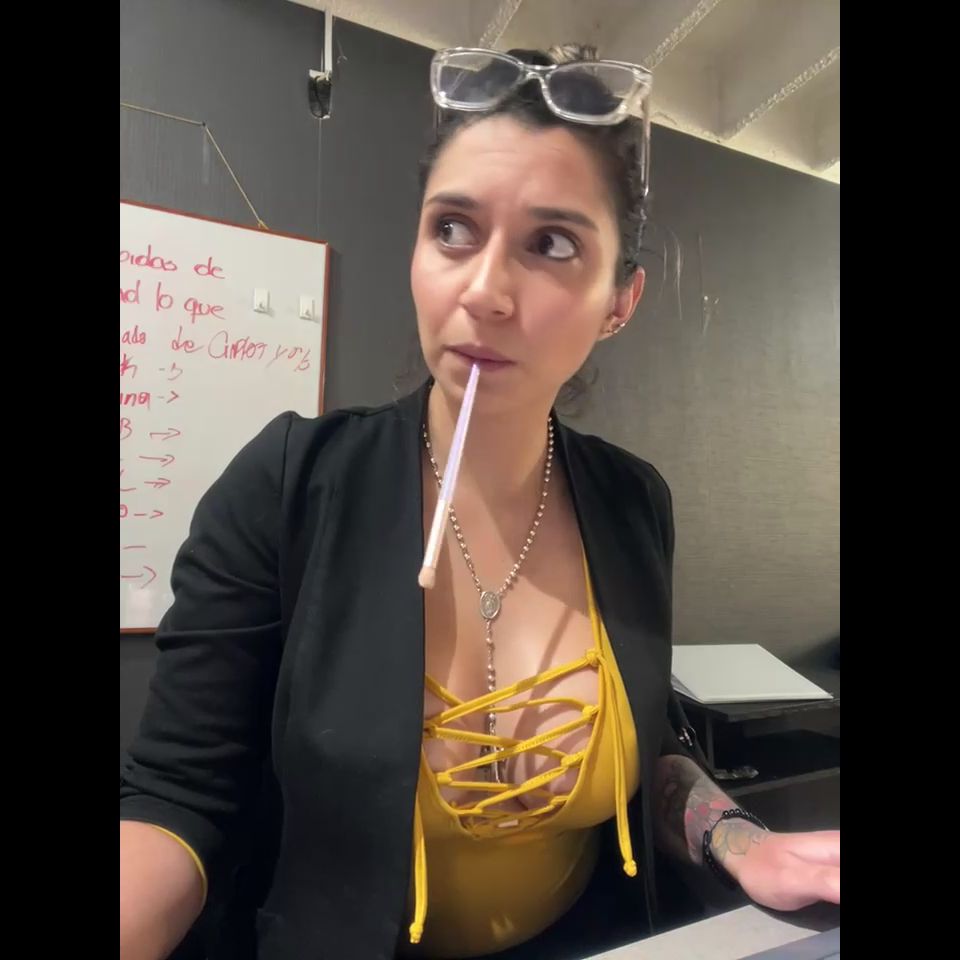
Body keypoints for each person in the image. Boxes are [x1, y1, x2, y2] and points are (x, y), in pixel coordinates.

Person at [120, 44, 840, 960]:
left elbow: (650, 749)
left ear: (620, 302)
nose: (485, 290)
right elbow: (177, 799)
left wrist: (740, 840)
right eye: (453, 229)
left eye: (552, 244)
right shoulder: (291, 485)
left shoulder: (632, 504)